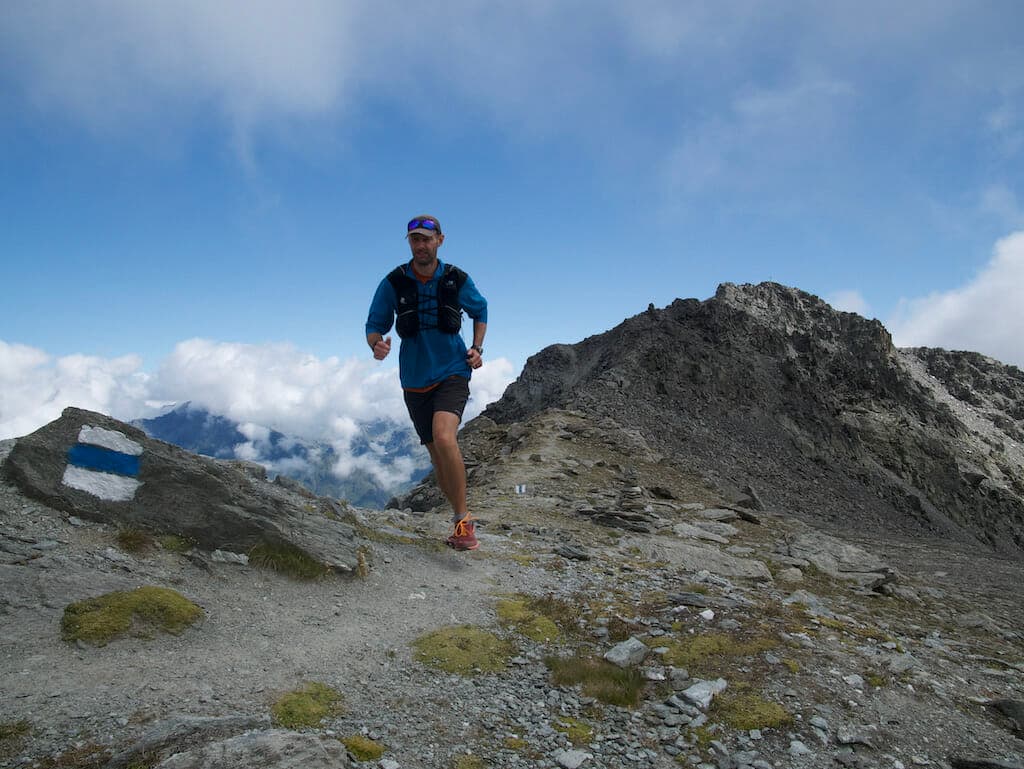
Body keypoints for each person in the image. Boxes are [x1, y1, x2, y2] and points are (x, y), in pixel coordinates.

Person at [365, 214, 488, 551]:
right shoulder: (394, 282)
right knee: (437, 457)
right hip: (414, 380)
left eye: (426, 239)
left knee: (444, 438)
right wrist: (376, 344)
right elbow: (374, 325)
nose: (421, 245)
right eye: (415, 240)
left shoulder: (455, 279)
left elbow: (481, 310)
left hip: (453, 371)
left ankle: (464, 524)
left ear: (440, 241)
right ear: (410, 244)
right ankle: (458, 521)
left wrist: (476, 348)